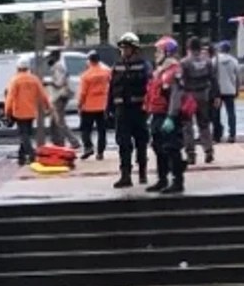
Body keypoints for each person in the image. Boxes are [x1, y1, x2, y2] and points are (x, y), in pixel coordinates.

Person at [108, 33, 151, 188]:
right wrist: (109, 108)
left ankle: (142, 173)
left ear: (134, 49)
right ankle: (125, 175)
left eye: (127, 47)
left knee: (141, 143)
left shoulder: (144, 65)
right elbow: (112, 88)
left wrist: (148, 107)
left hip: (138, 110)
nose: (124, 50)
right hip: (122, 110)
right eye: (123, 47)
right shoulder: (117, 65)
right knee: (123, 144)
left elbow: (150, 88)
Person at [145, 36, 185, 194]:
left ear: (167, 52)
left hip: (168, 116)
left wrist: (171, 116)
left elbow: (176, 95)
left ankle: (177, 181)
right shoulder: (160, 71)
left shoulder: (174, 70)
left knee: (171, 148)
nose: (156, 54)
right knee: (158, 147)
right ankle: (162, 179)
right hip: (157, 114)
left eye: (159, 51)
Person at [4, 56, 50, 166]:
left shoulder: (15, 80)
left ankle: (31, 154)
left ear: (17, 68)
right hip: (31, 111)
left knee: (23, 134)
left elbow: (10, 98)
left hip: (19, 112)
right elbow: (43, 95)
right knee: (27, 133)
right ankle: (21, 155)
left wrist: (7, 112)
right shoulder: (34, 79)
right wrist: (48, 107)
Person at [179, 37, 215, 165]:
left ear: (189, 48)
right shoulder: (208, 61)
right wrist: (216, 96)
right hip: (204, 95)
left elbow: (180, 81)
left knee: (187, 125)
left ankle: (190, 154)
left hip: (189, 96)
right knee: (204, 124)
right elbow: (213, 79)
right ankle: (208, 150)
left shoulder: (184, 62)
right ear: (200, 48)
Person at [77, 50, 111, 160]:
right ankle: (100, 152)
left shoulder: (86, 75)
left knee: (86, 129)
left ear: (89, 61)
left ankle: (88, 147)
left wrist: (79, 105)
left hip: (88, 106)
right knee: (102, 130)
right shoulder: (106, 72)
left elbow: (83, 92)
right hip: (103, 105)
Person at [45, 49, 81, 150]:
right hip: (58, 96)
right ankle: (57, 142)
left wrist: (48, 83)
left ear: (55, 57)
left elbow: (59, 83)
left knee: (59, 122)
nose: (49, 60)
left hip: (59, 97)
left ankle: (73, 142)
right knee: (54, 122)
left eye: (51, 57)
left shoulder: (58, 67)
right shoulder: (58, 66)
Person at [214, 41, 240, 143]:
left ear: (220, 49)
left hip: (217, 91)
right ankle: (232, 135)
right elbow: (238, 78)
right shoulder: (234, 61)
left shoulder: (214, 60)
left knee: (216, 114)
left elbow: (212, 76)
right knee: (231, 113)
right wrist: (236, 90)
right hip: (230, 90)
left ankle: (217, 135)